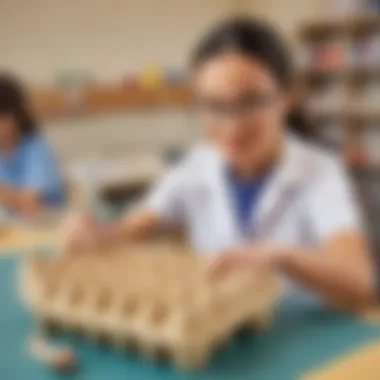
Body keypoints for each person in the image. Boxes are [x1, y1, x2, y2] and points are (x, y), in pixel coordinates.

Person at [61, 18, 376, 309]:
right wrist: (97, 234)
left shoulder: (319, 172)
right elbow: (130, 228)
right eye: (213, 105)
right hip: (217, 329)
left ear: (287, 97)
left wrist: (280, 255)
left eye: (250, 101)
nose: (232, 125)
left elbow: (359, 282)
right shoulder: (197, 166)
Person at [0, 73, 65, 216]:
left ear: (15, 116)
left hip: (43, 228)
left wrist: (7, 195)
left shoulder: (36, 150)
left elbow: (31, 201)